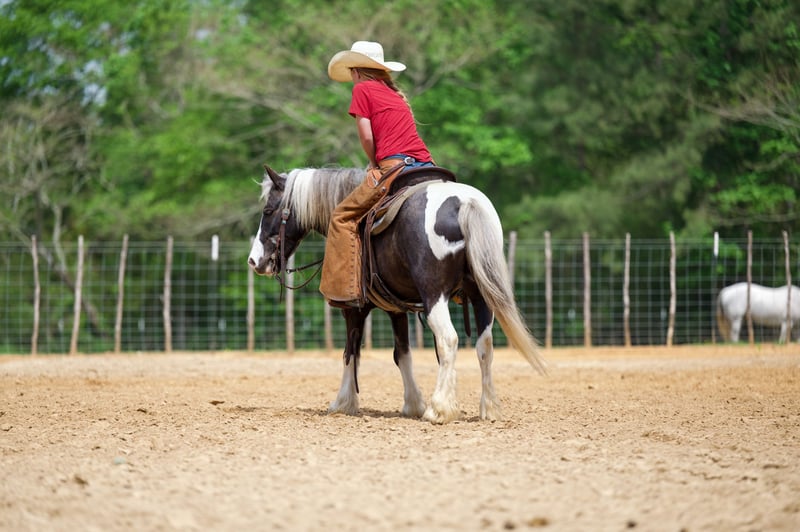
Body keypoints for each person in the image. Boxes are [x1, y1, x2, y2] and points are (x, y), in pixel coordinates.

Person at [320, 41, 434, 307]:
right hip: (427, 166)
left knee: (342, 217)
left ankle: (346, 292)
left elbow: (367, 136)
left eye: (351, 72)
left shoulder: (362, 89)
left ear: (356, 71)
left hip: (395, 167)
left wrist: (374, 164)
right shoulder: (395, 94)